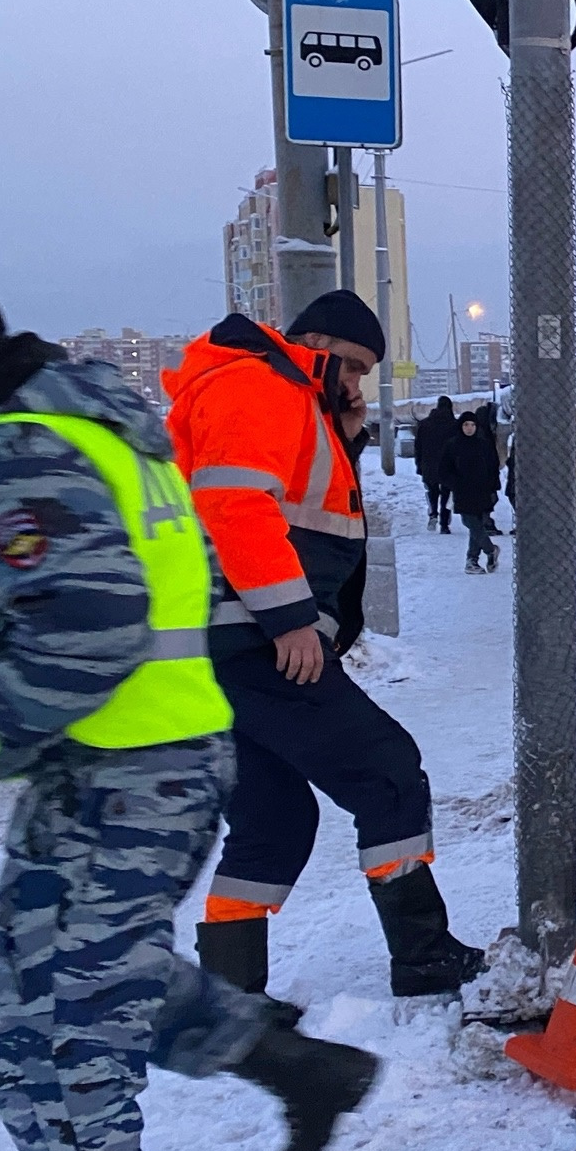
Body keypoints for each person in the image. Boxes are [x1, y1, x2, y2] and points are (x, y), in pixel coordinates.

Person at [0, 267, 379, 1151]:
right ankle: (295, 1068)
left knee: (56, 1025)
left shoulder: (16, 442)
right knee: (83, 990)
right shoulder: (72, 420)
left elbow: (92, 624)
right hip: (126, 760)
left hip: (126, 767)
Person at [162, 290, 484, 1001]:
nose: (358, 385)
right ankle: (423, 955)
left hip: (223, 641)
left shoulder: (281, 395)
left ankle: (230, 998)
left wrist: (345, 432)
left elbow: (301, 501)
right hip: (254, 638)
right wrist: (288, 619)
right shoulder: (258, 383)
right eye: (356, 368)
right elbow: (236, 506)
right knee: (387, 772)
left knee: (273, 817)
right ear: (318, 345)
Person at [441, 409, 502, 572]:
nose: (469, 428)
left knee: (478, 525)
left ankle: (472, 560)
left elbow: (493, 467)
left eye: (473, 425)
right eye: (466, 424)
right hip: (463, 492)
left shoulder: (484, 445)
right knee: (469, 522)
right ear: (460, 426)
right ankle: (490, 550)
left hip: (483, 491)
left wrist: (493, 488)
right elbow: (444, 470)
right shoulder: (452, 445)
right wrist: (454, 484)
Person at [413, 395, 458, 534]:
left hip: (429, 464)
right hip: (448, 465)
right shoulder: (455, 425)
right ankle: (444, 524)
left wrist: (419, 465)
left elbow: (418, 447)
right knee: (446, 493)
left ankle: (433, 513)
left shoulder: (425, 424)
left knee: (432, 491)